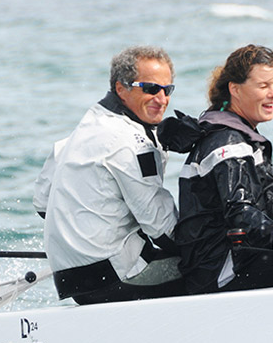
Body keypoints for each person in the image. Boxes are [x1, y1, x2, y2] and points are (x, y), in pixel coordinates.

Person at [171, 44, 273, 294]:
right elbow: (239, 209)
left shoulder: (233, 130)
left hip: (241, 250)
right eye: (263, 86)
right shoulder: (227, 142)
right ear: (235, 89)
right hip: (221, 270)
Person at [33, 45, 186, 305]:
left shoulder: (84, 129)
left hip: (70, 278)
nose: (162, 99)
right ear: (120, 88)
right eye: (150, 88)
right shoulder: (130, 142)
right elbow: (162, 228)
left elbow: (42, 205)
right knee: (217, 270)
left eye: (167, 89)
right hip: (114, 278)